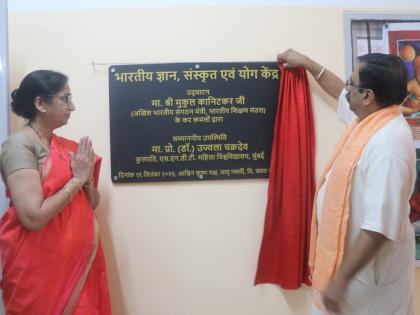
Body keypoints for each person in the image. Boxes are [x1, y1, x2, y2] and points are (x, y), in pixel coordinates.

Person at [277, 49, 415, 314]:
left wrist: (339, 282)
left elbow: (378, 228)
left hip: (370, 277)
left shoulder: (388, 145)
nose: (347, 87)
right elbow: (340, 92)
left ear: (367, 96)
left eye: (353, 83)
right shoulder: (370, 118)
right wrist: (306, 63)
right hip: (353, 272)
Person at [0, 70, 112, 314]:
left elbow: (91, 203)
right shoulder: (19, 146)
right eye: (65, 99)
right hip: (39, 271)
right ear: (40, 103)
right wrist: (77, 179)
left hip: (78, 265)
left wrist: (85, 182)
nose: (72, 107)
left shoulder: (66, 148)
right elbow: (33, 218)